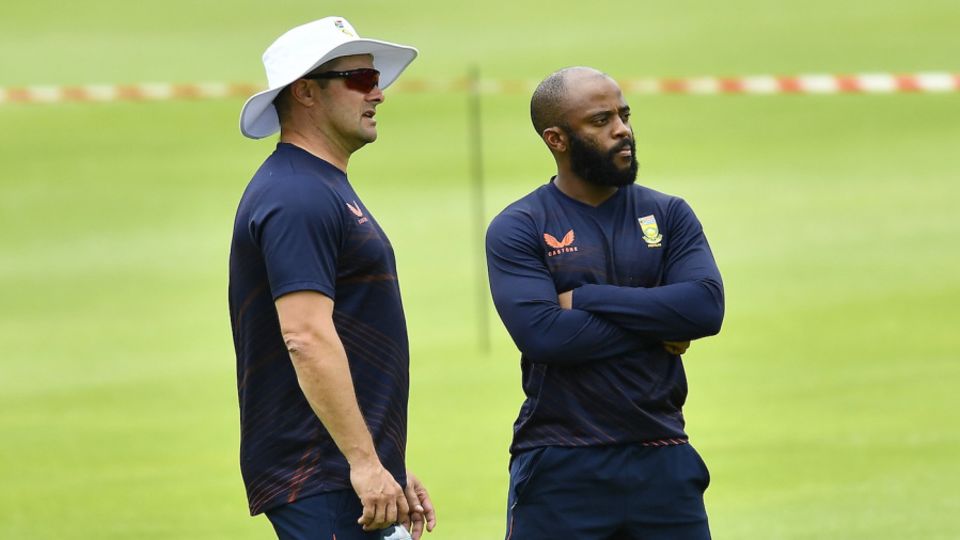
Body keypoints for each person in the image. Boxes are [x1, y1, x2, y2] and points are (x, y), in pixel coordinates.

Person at [485, 66, 725, 539]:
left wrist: (585, 298)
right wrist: (659, 324)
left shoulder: (669, 213)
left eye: (624, 114)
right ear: (557, 139)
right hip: (560, 464)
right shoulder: (519, 227)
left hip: (663, 458)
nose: (622, 130)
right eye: (600, 121)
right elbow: (547, 336)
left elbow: (704, 309)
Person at [229, 17, 436, 540]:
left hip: (338, 472)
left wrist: (383, 461)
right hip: (320, 474)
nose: (379, 94)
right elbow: (306, 336)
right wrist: (364, 463)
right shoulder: (297, 195)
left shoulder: (317, 185)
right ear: (306, 93)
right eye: (361, 79)